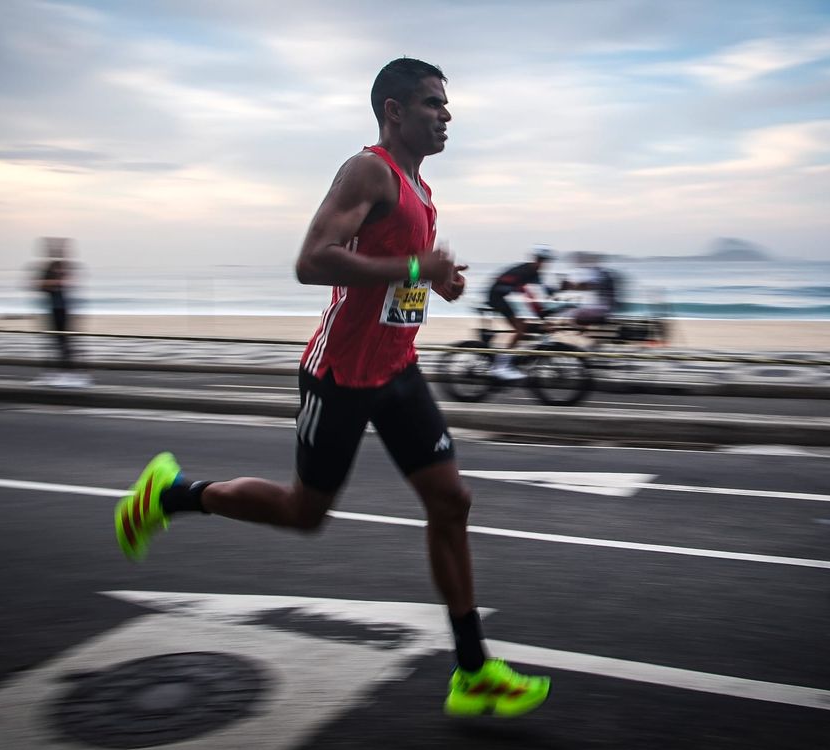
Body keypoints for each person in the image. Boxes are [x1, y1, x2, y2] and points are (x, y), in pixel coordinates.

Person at [114, 57, 550, 718]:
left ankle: (473, 671)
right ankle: (171, 495)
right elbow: (311, 260)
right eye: (433, 103)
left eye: (447, 105)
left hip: (397, 371)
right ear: (394, 112)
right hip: (340, 375)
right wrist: (413, 263)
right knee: (304, 512)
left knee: (451, 500)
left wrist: (436, 280)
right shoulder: (368, 169)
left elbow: (395, 275)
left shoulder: (420, 190)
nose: (446, 115)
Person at [484, 245, 557, 380]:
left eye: (545, 261)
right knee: (521, 330)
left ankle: (512, 359)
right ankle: (500, 367)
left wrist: (554, 300)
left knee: (528, 327)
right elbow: (530, 295)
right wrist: (542, 316)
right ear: (535, 259)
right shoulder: (525, 270)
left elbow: (541, 293)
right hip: (498, 296)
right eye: (541, 260)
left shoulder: (534, 273)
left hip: (509, 297)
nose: (543, 264)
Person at [32, 237, 91, 387]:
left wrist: (53, 284)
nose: (57, 252)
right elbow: (38, 285)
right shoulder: (49, 267)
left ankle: (75, 375)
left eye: (61, 249)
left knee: (68, 343)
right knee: (52, 342)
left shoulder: (66, 266)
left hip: (66, 309)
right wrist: (55, 283)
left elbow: (69, 282)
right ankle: (54, 374)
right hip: (52, 309)